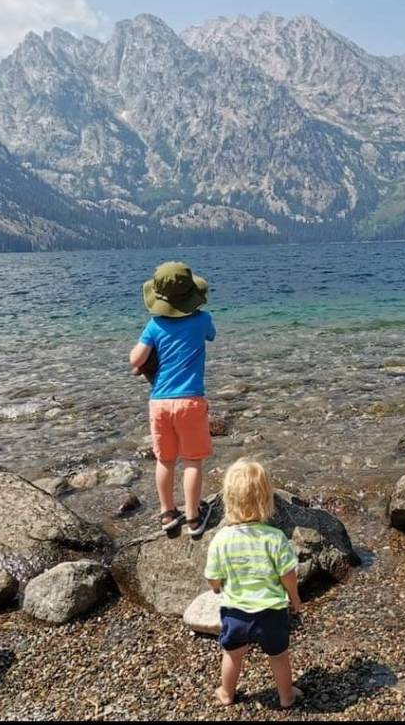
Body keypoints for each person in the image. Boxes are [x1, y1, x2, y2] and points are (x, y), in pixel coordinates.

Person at [204, 458, 304, 709]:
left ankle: (227, 693)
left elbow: (213, 576)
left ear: (228, 499)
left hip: (235, 612)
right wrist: (294, 597)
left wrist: (216, 588)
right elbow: (288, 574)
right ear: (267, 500)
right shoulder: (275, 538)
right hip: (270, 613)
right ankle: (286, 696)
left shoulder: (221, 539)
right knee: (278, 656)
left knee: (232, 655)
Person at [129, 261, 215, 538]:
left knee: (164, 460)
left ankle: (167, 513)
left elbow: (135, 360)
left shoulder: (154, 325)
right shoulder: (202, 320)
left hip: (159, 403)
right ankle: (193, 517)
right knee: (192, 461)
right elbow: (211, 335)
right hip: (190, 402)